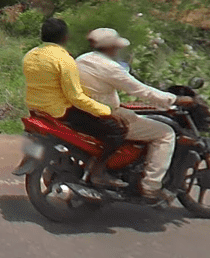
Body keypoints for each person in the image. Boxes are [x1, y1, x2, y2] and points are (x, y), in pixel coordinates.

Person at [22, 18, 136, 197]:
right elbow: (76, 97)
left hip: (37, 110)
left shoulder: (30, 55)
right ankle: (99, 171)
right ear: (65, 37)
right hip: (61, 113)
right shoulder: (64, 60)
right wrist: (107, 112)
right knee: (116, 130)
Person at [74, 27, 188, 204]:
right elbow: (141, 90)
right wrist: (176, 99)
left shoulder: (82, 60)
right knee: (165, 133)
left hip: (83, 113)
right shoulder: (111, 68)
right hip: (106, 116)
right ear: (112, 48)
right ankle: (151, 187)